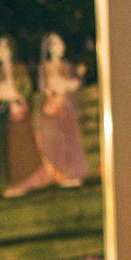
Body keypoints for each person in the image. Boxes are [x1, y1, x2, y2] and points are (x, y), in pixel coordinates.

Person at [0, 35, 55, 196]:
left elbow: (25, 90)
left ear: (11, 51)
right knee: (7, 151)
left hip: (20, 116)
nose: (1, 52)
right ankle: (7, 184)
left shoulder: (19, 69)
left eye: (5, 49)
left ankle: (23, 183)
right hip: (5, 116)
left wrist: (14, 96)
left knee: (21, 150)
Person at [37, 31, 90, 186]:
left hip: (65, 106)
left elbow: (71, 85)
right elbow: (48, 87)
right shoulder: (45, 67)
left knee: (69, 139)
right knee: (54, 140)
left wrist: (79, 75)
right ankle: (58, 174)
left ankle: (70, 174)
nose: (62, 48)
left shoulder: (66, 66)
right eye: (58, 45)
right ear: (51, 48)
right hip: (53, 106)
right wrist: (57, 91)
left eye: (62, 45)